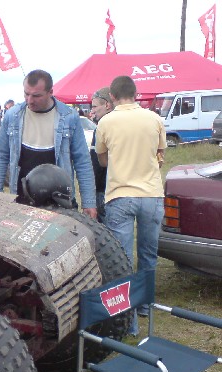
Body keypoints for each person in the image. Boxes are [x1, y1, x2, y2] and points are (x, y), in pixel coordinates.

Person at [95, 75, 166, 335]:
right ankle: (146, 305)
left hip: (120, 194)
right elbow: (161, 156)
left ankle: (130, 322)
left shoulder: (105, 122)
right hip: (151, 194)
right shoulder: (154, 119)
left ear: (111, 97)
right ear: (136, 93)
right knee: (148, 255)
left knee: (123, 260)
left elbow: (102, 160)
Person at [0, 69, 97, 218]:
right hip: (21, 199)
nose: (29, 100)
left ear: (50, 92)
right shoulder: (12, 116)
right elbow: (0, 155)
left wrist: (89, 202)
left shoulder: (69, 117)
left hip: (59, 201)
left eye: (36, 95)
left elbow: (82, 161)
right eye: (26, 94)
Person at [90, 87, 114, 223]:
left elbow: (97, 163)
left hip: (103, 188)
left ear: (107, 105)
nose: (92, 111)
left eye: (94, 106)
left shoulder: (102, 127)